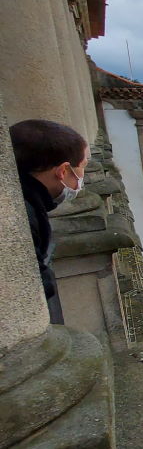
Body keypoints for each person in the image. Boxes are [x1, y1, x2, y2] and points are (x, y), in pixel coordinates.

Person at [10, 119, 89, 324]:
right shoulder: (19, 217)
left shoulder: (23, 200)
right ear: (63, 171)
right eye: (83, 168)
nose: (82, 179)